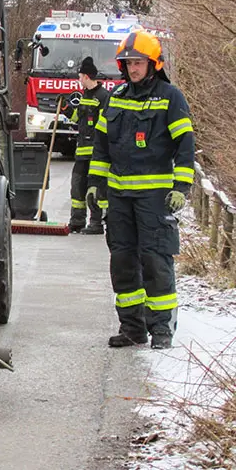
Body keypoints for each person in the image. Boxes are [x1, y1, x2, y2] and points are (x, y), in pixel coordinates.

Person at [86, 30, 195, 349]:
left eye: (139, 63)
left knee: (155, 260)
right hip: (120, 199)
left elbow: (184, 145)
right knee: (122, 262)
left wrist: (181, 186)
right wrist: (96, 184)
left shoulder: (170, 98)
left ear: (153, 64)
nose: (133, 68)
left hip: (155, 199)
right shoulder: (116, 97)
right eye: (128, 63)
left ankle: (161, 329)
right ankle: (132, 328)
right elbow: (101, 146)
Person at [69, 57, 110, 234]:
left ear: (86, 76)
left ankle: (96, 223)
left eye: (80, 76)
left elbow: (104, 128)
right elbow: (78, 119)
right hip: (81, 151)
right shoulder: (85, 95)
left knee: (95, 188)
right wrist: (66, 109)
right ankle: (77, 221)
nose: (79, 80)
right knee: (77, 186)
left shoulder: (103, 97)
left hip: (96, 153)